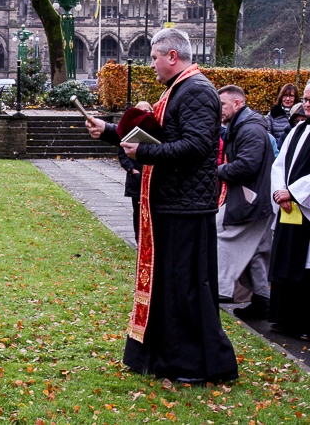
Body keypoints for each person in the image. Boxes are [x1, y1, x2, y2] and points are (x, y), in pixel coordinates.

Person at [85, 28, 238, 383]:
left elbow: (197, 147)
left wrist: (146, 153)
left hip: (187, 208)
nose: (151, 64)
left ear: (172, 56)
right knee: (169, 286)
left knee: (185, 287)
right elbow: (157, 135)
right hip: (173, 204)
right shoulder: (179, 88)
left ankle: (197, 365)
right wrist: (108, 130)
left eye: (154, 57)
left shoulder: (196, 90)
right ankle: (168, 358)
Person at [215, 85, 274, 318]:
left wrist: (217, 170)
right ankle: (263, 300)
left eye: (223, 105)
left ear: (237, 104)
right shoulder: (245, 126)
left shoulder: (249, 129)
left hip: (249, 199)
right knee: (257, 253)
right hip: (255, 198)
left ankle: (219, 290)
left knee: (222, 234)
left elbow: (247, 165)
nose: (220, 110)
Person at [269, 83, 310, 341]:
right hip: (290, 209)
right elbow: (279, 164)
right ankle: (285, 318)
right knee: (286, 260)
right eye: (305, 99)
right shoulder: (298, 130)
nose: (307, 104)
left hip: (304, 207)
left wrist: (294, 193)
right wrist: (279, 191)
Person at [118, 101, 154, 241]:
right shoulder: (129, 130)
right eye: (141, 110)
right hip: (137, 178)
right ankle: (139, 239)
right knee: (138, 211)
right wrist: (132, 170)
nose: (144, 113)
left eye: (147, 109)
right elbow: (122, 153)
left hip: (151, 177)